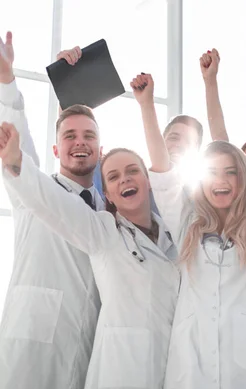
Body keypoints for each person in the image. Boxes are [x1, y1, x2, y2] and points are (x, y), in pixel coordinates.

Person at [134, 64, 246, 388]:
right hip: (192, 367)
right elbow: (164, 175)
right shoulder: (187, 226)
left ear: (243, 179)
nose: (222, 180)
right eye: (212, 172)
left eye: (231, 172)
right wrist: (146, 106)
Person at [0, 120, 180, 388]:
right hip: (120, 368)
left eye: (133, 171)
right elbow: (51, 201)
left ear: (149, 181)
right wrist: (17, 162)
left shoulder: (174, 238)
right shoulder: (103, 230)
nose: (125, 179)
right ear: (107, 193)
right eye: (114, 176)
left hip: (171, 365)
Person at [0, 32, 102, 389]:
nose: (79, 143)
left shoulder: (111, 212)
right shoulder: (31, 191)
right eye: (69, 137)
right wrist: (6, 80)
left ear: (100, 150)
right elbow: (16, 144)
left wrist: (70, 84)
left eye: (89, 137)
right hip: (29, 357)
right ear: (55, 151)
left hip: (91, 356)